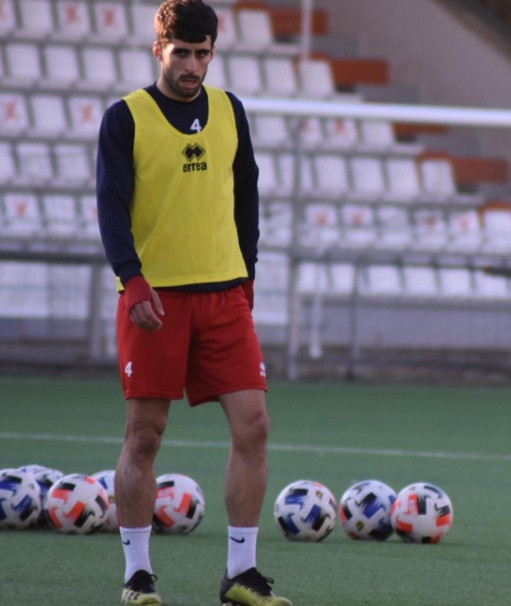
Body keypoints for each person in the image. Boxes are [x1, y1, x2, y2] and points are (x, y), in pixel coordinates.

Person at [96, 1, 291, 605]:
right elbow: (110, 205)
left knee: (254, 426)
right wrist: (132, 280)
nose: (192, 65)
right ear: (159, 50)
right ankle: (137, 576)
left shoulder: (231, 111)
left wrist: (248, 274)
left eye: (202, 53)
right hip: (155, 300)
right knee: (145, 436)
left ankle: (240, 575)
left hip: (225, 294)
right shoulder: (125, 118)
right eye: (181, 53)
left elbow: (247, 196)